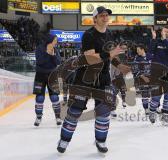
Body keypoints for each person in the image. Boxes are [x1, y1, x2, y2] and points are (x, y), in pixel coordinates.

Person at [57, 6, 130, 154]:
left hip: (103, 79)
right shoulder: (88, 35)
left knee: (104, 112)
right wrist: (110, 53)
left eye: (107, 15)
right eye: (102, 15)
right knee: (75, 112)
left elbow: (112, 56)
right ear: (95, 18)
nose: (105, 17)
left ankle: (100, 141)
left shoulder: (109, 34)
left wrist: (120, 65)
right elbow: (90, 58)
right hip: (84, 79)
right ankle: (64, 140)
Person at [149, 26, 168, 125]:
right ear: (161, 32)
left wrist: (165, 39)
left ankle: (165, 116)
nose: (166, 33)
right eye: (164, 31)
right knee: (157, 95)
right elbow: (150, 53)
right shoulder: (156, 42)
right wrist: (153, 39)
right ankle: (152, 111)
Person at [33, 34, 62, 126]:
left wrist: (53, 55)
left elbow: (58, 62)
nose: (56, 42)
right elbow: (40, 62)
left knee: (54, 97)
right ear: (50, 40)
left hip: (52, 76)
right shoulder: (39, 49)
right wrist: (47, 53)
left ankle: (58, 117)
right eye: (55, 40)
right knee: (39, 98)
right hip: (40, 75)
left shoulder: (55, 50)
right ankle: (38, 117)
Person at [133, 44, 152, 115]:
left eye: (138, 50)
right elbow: (135, 70)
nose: (137, 51)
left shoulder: (150, 56)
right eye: (136, 50)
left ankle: (155, 107)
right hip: (142, 80)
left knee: (155, 94)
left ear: (142, 49)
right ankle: (146, 109)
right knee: (145, 94)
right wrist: (144, 77)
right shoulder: (137, 58)